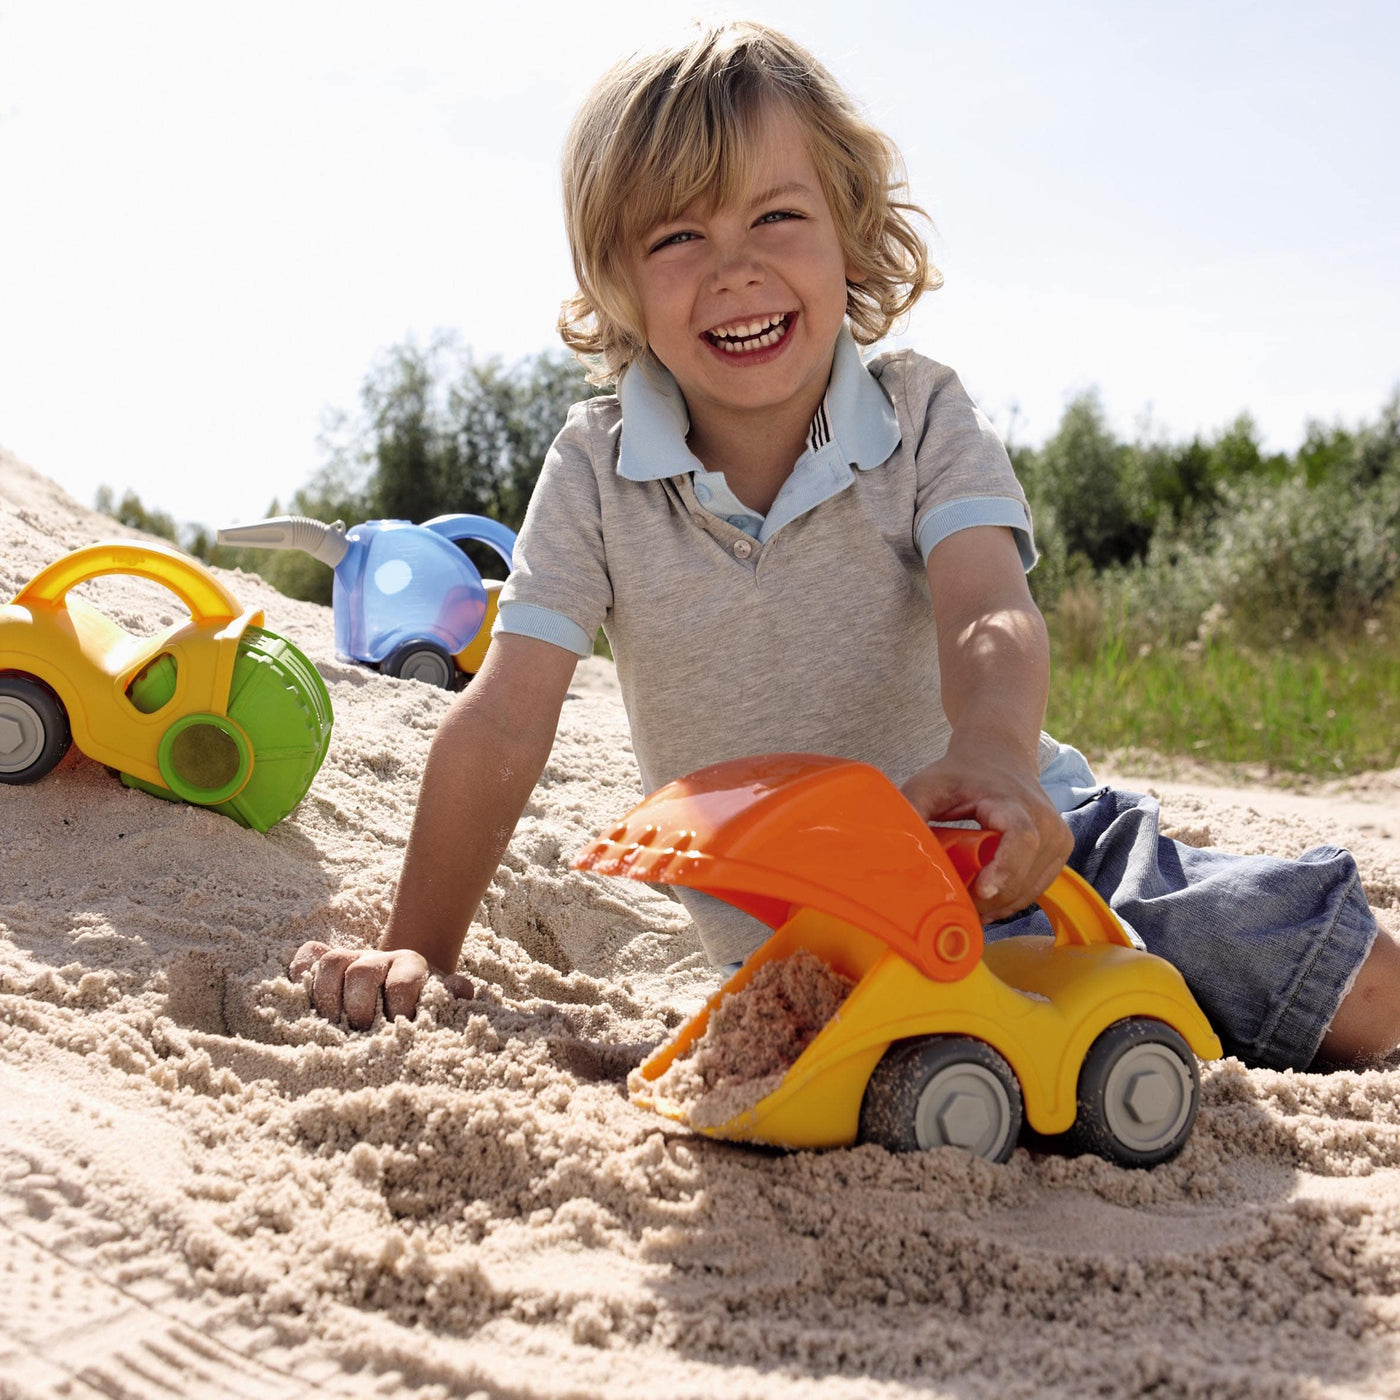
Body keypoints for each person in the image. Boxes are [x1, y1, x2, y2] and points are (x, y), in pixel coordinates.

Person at [292, 20, 1400, 1070]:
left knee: (1346, 991)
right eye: (677, 237)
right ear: (616, 281)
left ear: (849, 234)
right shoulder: (594, 471)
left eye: (775, 218)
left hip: (1013, 848)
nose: (733, 268)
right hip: (806, 940)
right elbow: (503, 716)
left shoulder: (920, 418)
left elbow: (987, 605)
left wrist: (996, 754)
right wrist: (418, 947)